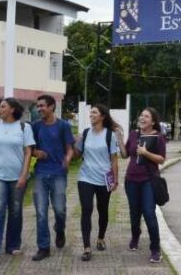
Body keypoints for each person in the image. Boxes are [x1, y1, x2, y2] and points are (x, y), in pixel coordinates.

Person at [0, 98, 35, 262]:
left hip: (17, 177)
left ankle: (13, 245)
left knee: (16, 211)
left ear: (12, 109)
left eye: (3, 106)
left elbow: (28, 153)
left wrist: (23, 175)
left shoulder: (24, 127)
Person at [117, 107, 166, 263]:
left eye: (146, 116)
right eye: (141, 115)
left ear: (153, 121)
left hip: (148, 181)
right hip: (131, 180)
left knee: (149, 214)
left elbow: (161, 159)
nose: (142, 118)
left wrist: (146, 153)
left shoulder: (158, 137)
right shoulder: (133, 134)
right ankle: (135, 235)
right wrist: (119, 138)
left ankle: (155, 249)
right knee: (134, 212)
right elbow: (125, 155)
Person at [31, 94, 75, 261]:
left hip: (58, 173)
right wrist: (36, 152)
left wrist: (68, 159)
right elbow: (30, 149)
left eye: (42, 106)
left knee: (59, 210)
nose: (39, 109)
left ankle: (60, 229)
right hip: (41, 173)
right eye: (38, 106)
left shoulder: (63, 126)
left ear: (51, 107)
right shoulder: (35, 126)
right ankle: (43, 248)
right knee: (41, 212)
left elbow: (69, 148)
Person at [74, 104, 119, 262]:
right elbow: (77, 154)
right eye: (91, 112)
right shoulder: (86, 133)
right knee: (86, 209)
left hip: (103, 178)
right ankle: (86, 247)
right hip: (85, 177)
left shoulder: (110, 135)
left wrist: (115, 179)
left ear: (102, 116)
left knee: (103, 209)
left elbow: (114, 159)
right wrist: (76, 143)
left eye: (95, 112)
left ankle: (100, 238)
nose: (91, 114)